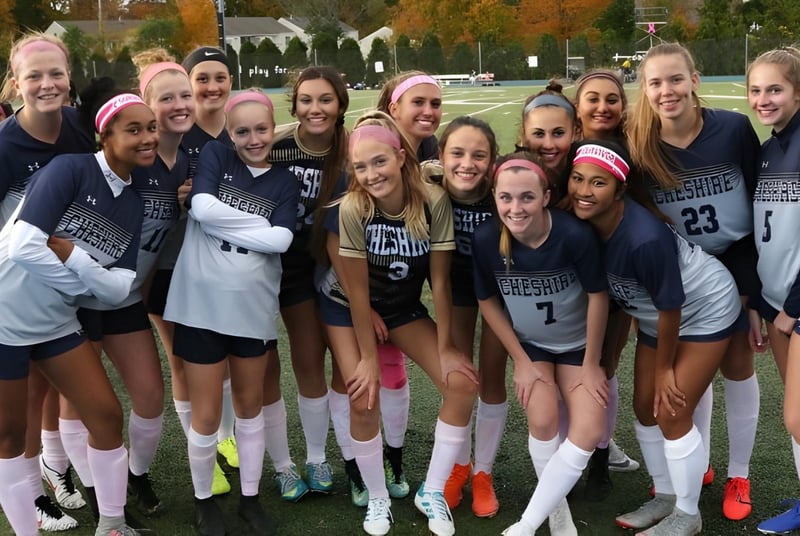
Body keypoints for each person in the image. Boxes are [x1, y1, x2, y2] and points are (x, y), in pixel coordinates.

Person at [0, 90, 156, 536]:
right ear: (104, 135)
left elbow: (118, 288)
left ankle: (111, 525)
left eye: (151, 129)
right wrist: (84, 280)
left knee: (105, 415)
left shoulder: (132, 202)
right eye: (134, 129)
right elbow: (24, 247)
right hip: (5, 317)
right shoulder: (69, 169)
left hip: (56, 321)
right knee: (9, 436)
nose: (147, 138)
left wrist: (74, 260)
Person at [568, 139, 742, 535]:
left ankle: (688, 512)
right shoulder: (582, 221)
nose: (583, 190)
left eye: (598, 183)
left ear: (619, 190)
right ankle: (665, 495)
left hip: (703, 309)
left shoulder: (643, 238)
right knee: (644, 407)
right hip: (654, 312)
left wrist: (665, 368)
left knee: (672, 409)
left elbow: (671, 307)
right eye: (577, 179)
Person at [319, 111, 478, 536]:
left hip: (403, 307)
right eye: (361, 166)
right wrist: (368, 359)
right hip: (345, 305)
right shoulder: (353, 207)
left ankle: (433, 489)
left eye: (379, 162)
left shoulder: (432, 200)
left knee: (462, 383)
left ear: (401, 156)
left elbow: (439, 283)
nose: (371, 174)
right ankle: (377, 496)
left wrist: (446, 347)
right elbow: (355, 293)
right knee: (363, 395)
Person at [626, 42, 762, 522]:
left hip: (736, 262)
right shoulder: (639, 144)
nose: (667, 91)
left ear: (695, 80)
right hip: (682, 273)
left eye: (676, 79)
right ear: (644, 90)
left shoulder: (733, 128)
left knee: (737, 365)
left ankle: (739, 473)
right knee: (688, 377)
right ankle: (696, 460)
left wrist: (751, 288)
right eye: (656, 82)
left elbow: (757, 201)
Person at [163, 89, 299, 536]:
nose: (253, 138)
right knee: (205, 414)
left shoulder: (284, 180)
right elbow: (200, 206)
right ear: (230, 132)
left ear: (273, 127)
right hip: (200, 305)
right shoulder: (219, 156)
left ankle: (250, 498)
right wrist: (262, 226)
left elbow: (283, 242)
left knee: (249, 407)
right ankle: (204, 504)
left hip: (253, 309)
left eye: (261, 129)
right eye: (242, 130)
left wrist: (226, 220)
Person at [70, 50, 194, 518]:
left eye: (185, 95)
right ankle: (84, 480)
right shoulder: (115, 161)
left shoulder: (182, 165)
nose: (178, 105)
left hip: (123, 298)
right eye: (165, 99)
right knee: (78, 399)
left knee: (149, 395)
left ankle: (134, 476)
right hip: (75, 298)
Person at [473, 152, 607, 536]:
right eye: (506, 198)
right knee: (543, 418)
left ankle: (527, 523)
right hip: (532, 346)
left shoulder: (573, 235)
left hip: (578, 346)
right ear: (495, 197)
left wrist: (592, 362)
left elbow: (598, 297)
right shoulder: (486, 239)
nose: (516, 208)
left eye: (527, 197)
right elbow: (486, 301)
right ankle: (557, 511)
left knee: (589, 429)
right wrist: (521, 359)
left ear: (546, 196)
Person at [0, 32, 97, 532]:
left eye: (55, 73)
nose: (46, 83)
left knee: (67, 393)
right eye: (33, 76)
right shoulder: (4, 147)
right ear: (15, 84)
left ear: (69, 77)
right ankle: (35, 496)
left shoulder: (81, 129)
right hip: (16, 298)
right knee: (25, 405)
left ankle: (55, 474)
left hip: (68, 288)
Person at [148, 45, 234, 497]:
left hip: (218, 266)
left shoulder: (240, 131)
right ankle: (201, 451)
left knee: (221, 361)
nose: (208, 88)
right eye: (200, 79)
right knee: (182, 362)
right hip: (164, 268)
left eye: (220, 77)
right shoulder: (167, 141)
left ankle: (226, 436)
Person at [267, 65, 349, 503]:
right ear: (295, 104)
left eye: (325, 100)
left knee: (314, 359)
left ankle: (317, 457)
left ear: (340, 106)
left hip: (323, 263)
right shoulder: (275, 143)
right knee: (264, 366)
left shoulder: (352, 150)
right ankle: (282, 465)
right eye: (306, 100)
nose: (315, 109)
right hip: (268, 265)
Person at [428, 117, 507, 519]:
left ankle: (483, 473)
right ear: (440, 156)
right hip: (455, 288)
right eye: (456, 153)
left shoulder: (501, 191)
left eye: (479, 155)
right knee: (459, 378)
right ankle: (458, 465)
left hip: (500, 291)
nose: (467, 163)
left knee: (492, 379)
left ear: (493, 161)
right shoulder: (430, 190)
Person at [573, 69, 641, 499]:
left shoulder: (636, 149)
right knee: (569, 364)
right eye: (592, 98)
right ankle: (576, 448)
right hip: (571, 275)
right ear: (577, 107)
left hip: (619, 274)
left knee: (605, 366)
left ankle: (600, 453)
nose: (602, 107)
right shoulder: (563, 148)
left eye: (612, 99)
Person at [746, 46, 800, 535]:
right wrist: (765, 303)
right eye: (756, 90)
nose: (764, 99)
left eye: (775, 89)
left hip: (798, 306)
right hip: (781, 302)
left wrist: (795, 306)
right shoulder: (769, 149)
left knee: (798, 416)